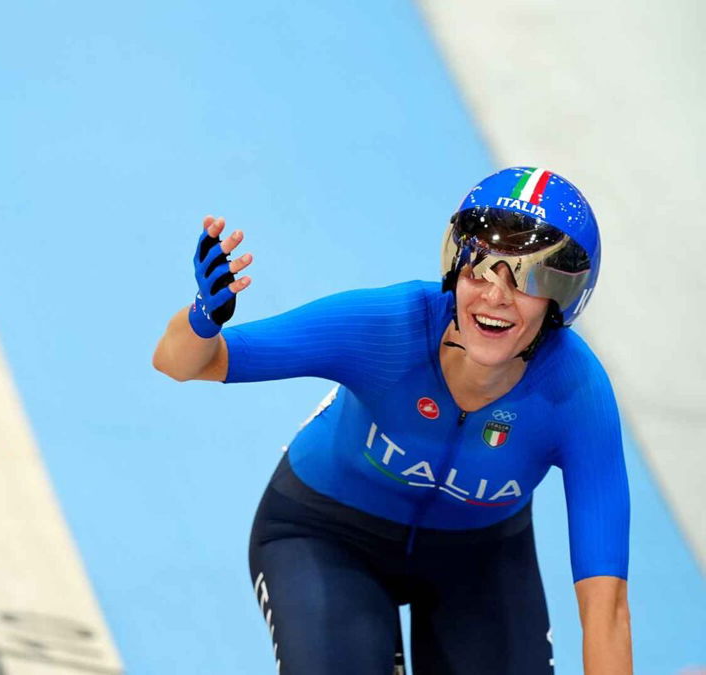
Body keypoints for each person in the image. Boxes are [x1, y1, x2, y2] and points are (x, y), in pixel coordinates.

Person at [152, 168, 632, 674]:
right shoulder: (386, 327)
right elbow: (182, 363)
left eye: (527, 278)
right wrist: (202, 318)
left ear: (562, 300)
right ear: (454, 270)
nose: (495, 296)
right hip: (327, 534)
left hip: (477, 563)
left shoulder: (579, 395)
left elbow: (607, 609)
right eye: (479, 270)